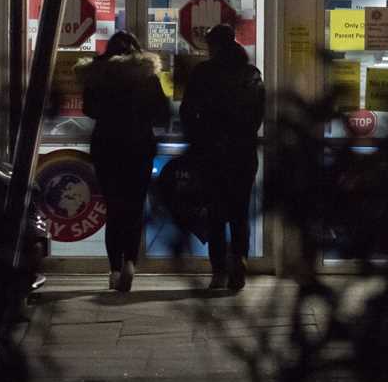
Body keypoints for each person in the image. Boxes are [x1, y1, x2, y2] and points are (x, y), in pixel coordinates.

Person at [76, 30, 169, 292]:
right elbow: (161, 113)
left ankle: (114, 269)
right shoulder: (147, 77)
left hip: (107, 147)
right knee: (135, 207)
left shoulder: (98, 76)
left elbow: (89, 110)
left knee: (114, 208)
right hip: (139, 147)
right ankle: (130, 261)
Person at [180, 23, 265, 290]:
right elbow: (258, 113)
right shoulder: (251, 74)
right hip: (242, 153)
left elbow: (187, 111)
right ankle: (238, 260)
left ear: (213, 45)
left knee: (216, 214)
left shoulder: (203, 73)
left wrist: (197, 139)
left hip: (211, 153)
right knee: (239, 213)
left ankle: (218, 270)